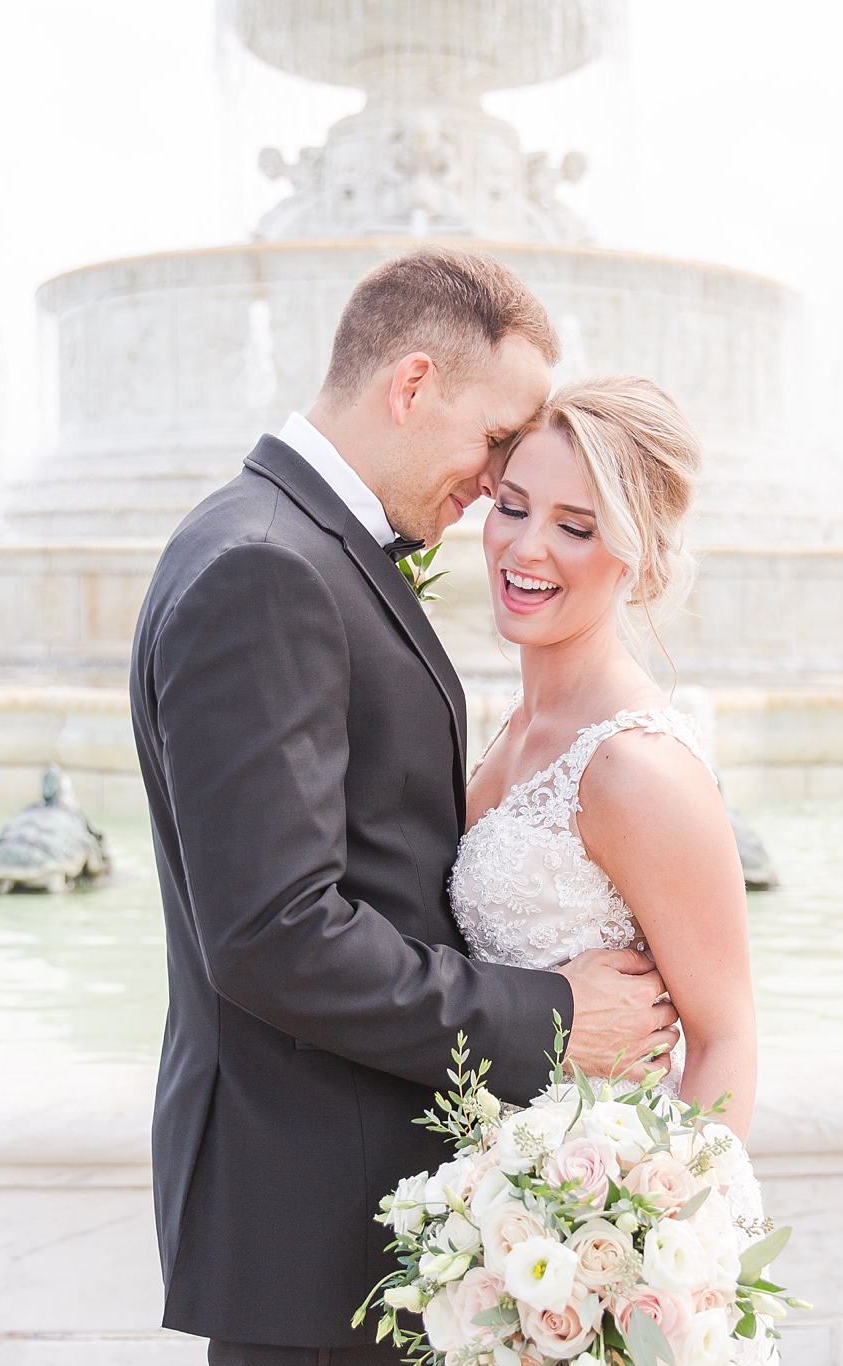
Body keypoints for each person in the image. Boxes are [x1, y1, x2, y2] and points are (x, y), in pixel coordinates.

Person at [129, 246, 680, 1366]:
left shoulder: (283, 544)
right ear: (412, 384)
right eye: (491, 443)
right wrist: (556, 1018)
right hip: (316, 1238)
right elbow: (274, 937)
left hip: (363, 1229)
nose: (492, 483)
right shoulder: (265, 570)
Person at [451, 375, 758, 1146]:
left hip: (588, 1210)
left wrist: (663, 1235)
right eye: (513, 508)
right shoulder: (513, 726)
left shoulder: (636, 767)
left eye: (576, 528)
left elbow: (725, 1040)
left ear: (637, 557)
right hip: (479, 1203)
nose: (526, 549)